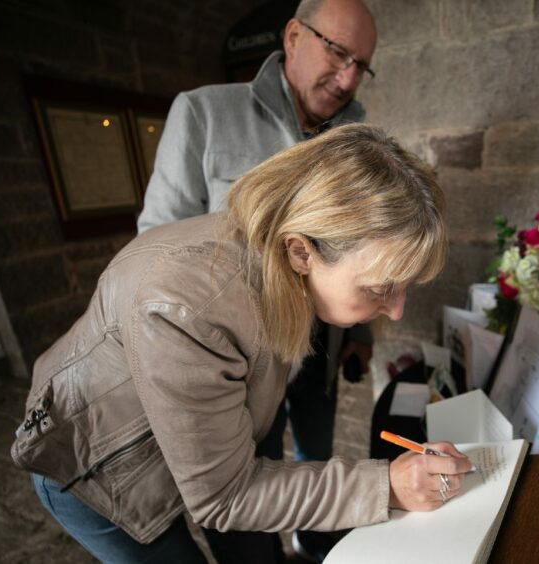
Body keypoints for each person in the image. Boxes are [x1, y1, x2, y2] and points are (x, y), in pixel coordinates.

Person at [12, 124, 472, 563]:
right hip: (98, 466)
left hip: (209, 442)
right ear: (300, 251)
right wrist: (386, 486)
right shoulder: (186, 308)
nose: (397, 311)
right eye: (380, 288)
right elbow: (225, 496)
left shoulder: (279, 256)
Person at [136, 3, 377, 528]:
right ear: (294, 36)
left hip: (320, 350)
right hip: (241, 364)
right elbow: (154, 247)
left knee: (316, 460)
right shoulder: (203, 112)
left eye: (362, 64)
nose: (348, 77)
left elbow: (365, 249)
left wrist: (364, 331)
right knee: (248, 501)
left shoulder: (358, 141)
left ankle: (317, 549)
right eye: (338, 53)